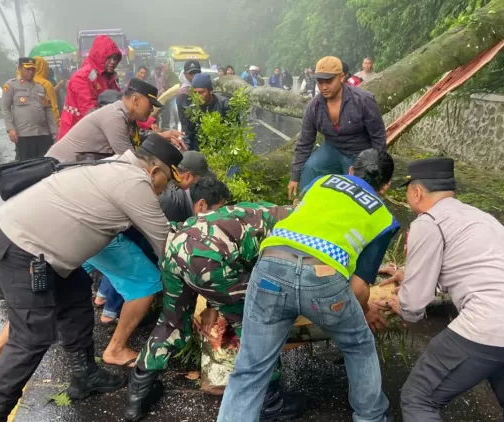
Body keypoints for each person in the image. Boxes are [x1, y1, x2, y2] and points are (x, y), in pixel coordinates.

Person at [0, 135, 183, 421]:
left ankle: (85, 375)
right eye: (168, 183)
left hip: (44, 247)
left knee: (75, 299)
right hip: (23, 246)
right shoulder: (135, 183)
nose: (165, 190)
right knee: (32, 336)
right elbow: (168, 247)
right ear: (155, 171)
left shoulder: (117, 165)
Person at [380, 157, 504, 422]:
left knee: (419, 398)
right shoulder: (478, 216)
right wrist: (410, 273)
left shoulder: (428, 221)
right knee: (498, 357)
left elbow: (413, 306)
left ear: (416, 192)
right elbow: (474, 266)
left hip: (498, 320)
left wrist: (399, 305)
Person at [218, 149, 399, 422]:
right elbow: (359, 287)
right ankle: (371, 417)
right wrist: (359, 313)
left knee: (251, 368)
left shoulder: (320, 182)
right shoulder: (384, 218)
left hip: (270, 266)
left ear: (350, 171)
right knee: (359, 344)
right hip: (323, 279)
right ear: (385, 187)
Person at [125, 199, 305, 422]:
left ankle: (136, 396)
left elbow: (230, 254)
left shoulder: (267, 209)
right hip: (209, 259)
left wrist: (212, 304)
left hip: (175, 246)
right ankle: (270, 402)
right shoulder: (297, 229)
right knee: (254, 322)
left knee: (172, 323)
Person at [90, 176, 230, 369]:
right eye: (217, 210)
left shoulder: (183, 202)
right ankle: (115, 346)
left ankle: (111, 308)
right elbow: (177, 258)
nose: (219, 216)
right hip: (113, 238)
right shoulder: (171, 208)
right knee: (145, 283)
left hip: (101, 233)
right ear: (202, 204)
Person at [288, 56, 387, 198]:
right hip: (332, 148)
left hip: (359, 151)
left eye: (328, 81)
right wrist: (294, 176)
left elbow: (378, 137)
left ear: (341, 77)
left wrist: (379, 172)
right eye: (320, 82)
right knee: (310, 168)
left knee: (357, 193)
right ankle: (305, 207)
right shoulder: (313, 107)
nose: (323, 87)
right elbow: (304, 142)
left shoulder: (363, 100)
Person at [46, 79, 184, 163]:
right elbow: (130, 161)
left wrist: (162, 136)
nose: (151, 109)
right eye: (150, 104)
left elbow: (137, 139)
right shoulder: (115, 117)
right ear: (135, 100)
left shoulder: (127, 119)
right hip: (58, 167)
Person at [58, 35, 122, 139]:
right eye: (109, 57)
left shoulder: (109, 77)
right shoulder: (82, 77)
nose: (113, 62)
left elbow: (121, 104)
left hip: (94, 133)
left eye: (116, 58)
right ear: (99, 55)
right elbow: (90, 112)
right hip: (76, 135)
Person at [2, 58, 58, 161]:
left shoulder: (40, 87)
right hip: (24, 134)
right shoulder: (11, 86)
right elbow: (5, 109)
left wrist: (54, 130)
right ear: (19, 68)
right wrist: (11, 129)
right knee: (25, 164)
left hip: (42, 133)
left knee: (43, 163)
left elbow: (48, 109)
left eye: (33, 69)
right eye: (27, 69)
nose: (31, 72)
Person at [178, 73, 230, 151]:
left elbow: (232, 131)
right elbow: (187, 134)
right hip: (200, 150)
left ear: (211, 91)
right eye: (195, 93)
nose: (198, 96)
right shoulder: (191, 109)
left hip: (221, 149)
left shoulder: (224, 104)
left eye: (202, 92)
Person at [33, 56, 61, 128]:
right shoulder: (46, 84)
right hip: (46, 124)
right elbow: (53, 106)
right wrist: (57, 122)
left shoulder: (24, 82)